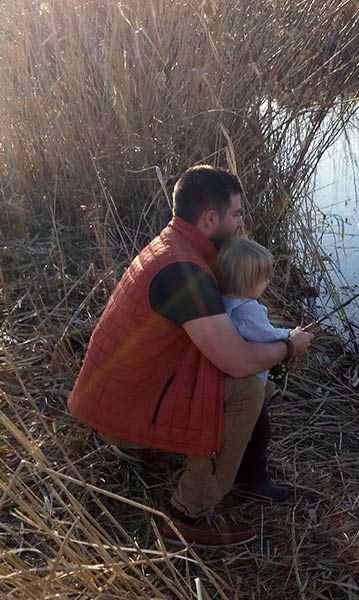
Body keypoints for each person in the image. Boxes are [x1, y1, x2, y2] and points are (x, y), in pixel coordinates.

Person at [67, 165, 314, 547]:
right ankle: (188, 514)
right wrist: (287, 347)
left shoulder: (176, 245)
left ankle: (249, 474)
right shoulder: (185, 271)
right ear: (210, 218)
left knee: (252, 380)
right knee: (247, 388)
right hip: (120, 414)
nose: (241, 226)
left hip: (126, 398)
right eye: (236, 216)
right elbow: (236, 361)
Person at [212, 238, 295, 502]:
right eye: (264, 279)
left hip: (230, 375)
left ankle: (243, 472)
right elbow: (269, 337)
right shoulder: (248, 310)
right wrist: (294, 337)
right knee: (261, 433)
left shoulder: (223, 301)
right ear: (246, 282)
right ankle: (254, 481)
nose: (268, 282)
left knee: (251, 427)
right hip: (245, 380)